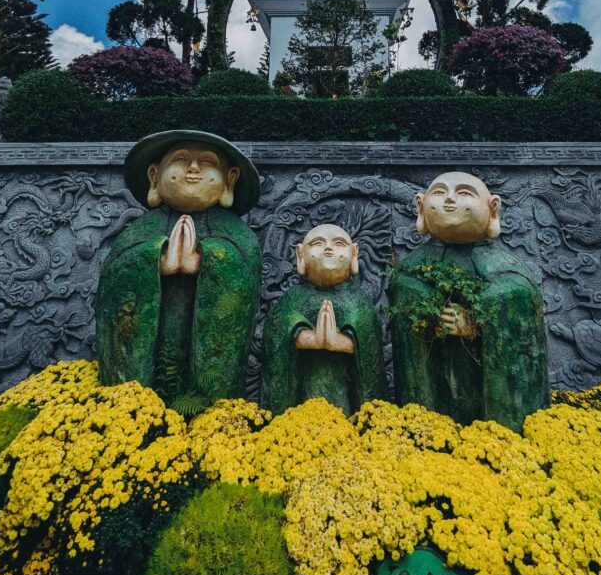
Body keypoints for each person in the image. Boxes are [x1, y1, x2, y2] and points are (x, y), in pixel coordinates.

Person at [95, 130, 262, 413]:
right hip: (154, 348)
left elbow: (245, 283)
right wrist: (154, 261)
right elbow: (112, 283)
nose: (194, 169)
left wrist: (211, 262)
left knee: (208, 406)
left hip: (202, 359)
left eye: (208, 162)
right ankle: (136, 415)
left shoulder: (239, 235)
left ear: (229, 180)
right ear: (154, 176)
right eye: (181, 160)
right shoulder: (141, 230)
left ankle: (208, 412)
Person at [390, 171, 549, 432]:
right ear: (420, 206)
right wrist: (427, 318)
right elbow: (405, 307)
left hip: (485, 398)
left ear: (492, 209)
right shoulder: (409, 273)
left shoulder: (508, 272)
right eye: (440, 193)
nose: (450, 200)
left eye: (464, 193)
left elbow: (518, 302)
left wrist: (481, 321)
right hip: (438, 385)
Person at [260, 223, 386, 414]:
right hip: (303, 389)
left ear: (354, 254)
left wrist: (340, 342)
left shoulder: (358, 301)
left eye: (338, 243)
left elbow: (370, 343)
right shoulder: (293, 299)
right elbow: (277, 334)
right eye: (318, 243)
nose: (328, 248)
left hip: (345, 389)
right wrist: (309, 339)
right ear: (300, 255)